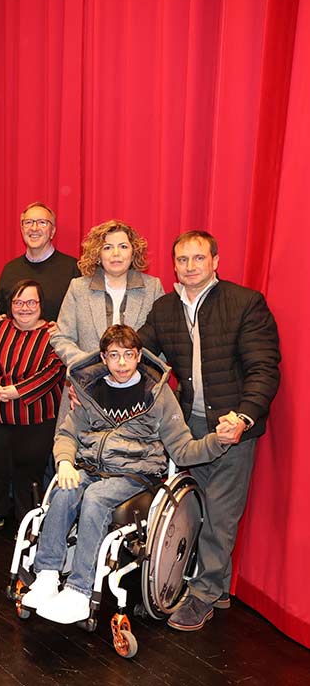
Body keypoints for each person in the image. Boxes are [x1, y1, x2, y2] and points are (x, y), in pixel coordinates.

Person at [19, 325, 240, 624]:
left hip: (134, 475)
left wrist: (218, 441)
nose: (121, 363)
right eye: (114, 356)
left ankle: (79, 591)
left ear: (138, 356)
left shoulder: (158, 395)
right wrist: (65, 462)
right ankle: (46, 575)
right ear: (103, 358)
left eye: (128, 355)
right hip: (90, 467)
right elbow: (67, 433)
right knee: (64, 487)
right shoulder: (91, 389)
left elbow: (184, 450)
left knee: (95, 497)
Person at [137, 230, 281, 631]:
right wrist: (99, 383)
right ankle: (216, 588)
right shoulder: (164, 308)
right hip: (189, 428)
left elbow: (263, 368)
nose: (190, 266)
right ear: (174, 266)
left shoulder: (244, 303)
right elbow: (139, 356)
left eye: (199, 258)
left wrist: (244, 417)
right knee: (196, 509)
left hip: (233, 425)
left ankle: (200, 596)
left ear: (215, 261)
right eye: (182, 260)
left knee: (220, 513)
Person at [0, 280, 65, 529]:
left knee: (28, 473)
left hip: (34, 419)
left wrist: (17, 391)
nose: (24, 308)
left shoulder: (54, 335)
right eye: (18, 302)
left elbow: (53, 370)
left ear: (41, 304)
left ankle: (28, 523)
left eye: (31, 302)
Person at [50, 220, 164, 368]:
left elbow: (163, 341)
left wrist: (140, 369)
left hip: (140, 382)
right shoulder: (78, 288)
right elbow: (61, 337)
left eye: (123, 246)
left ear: (133, 251)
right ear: (97, 254)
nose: (116, 254)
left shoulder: (153, 287)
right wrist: (87, 365)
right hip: (89, 381)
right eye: (107, 247)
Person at [0, 202, 80, 322]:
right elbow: (4, 313)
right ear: (21, 229)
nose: (34, 228)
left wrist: (64, 329)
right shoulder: (10, 269)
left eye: (42, 222)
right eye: (28, 222)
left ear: (52, 231)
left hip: (55, 340)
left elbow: (81, 318)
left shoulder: (73, 269)